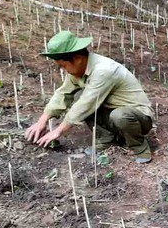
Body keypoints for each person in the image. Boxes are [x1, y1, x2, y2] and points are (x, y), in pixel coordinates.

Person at [25, 31, 154, 163]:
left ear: (77, 59)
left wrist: (58, 131)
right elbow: (62, 94)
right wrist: (43, 120)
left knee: (118, 115)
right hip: (112, 113)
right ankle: (106, 139)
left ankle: (140, 147)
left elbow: (86, 104)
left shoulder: (104, 70)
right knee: (79, 96)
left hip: (138, 118)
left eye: (64, 66)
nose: (63, 70)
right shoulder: (78, 70)